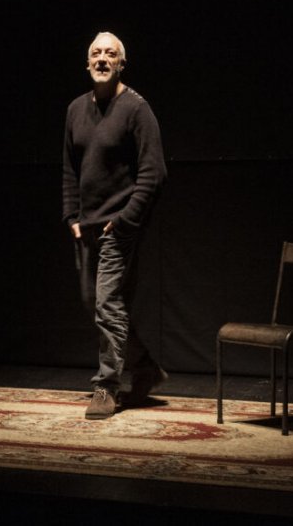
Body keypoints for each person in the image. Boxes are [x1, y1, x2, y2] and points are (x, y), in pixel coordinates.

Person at [62, 31, 168, 419]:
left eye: (110, 54)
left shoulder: (137, 109)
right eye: (96, 53)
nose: (102, 59)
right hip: (86, 226)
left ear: (122, 64)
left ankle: (107, 386)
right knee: (95, 304)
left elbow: (154, 173)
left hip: (117, 227)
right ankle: (145, 367)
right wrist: (71, 216)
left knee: (108, 304)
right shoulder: (76, 109)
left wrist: (125, 221)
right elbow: (69, 168)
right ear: (87, 62)